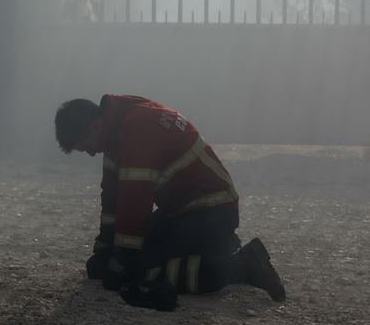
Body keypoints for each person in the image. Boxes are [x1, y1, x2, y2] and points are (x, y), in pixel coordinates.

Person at [54, 94, 286, 311]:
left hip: (211, 212)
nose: (90, 154)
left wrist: (124, 258)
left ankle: (242, 267)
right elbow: (112, 197)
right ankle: (220, 246)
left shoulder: (137, 130)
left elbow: (135, 200)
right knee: (111, 268)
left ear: (95, 127)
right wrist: (105, 249)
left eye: (85, 147)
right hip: (189, 211)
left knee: (139, 271)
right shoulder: (119, 130)